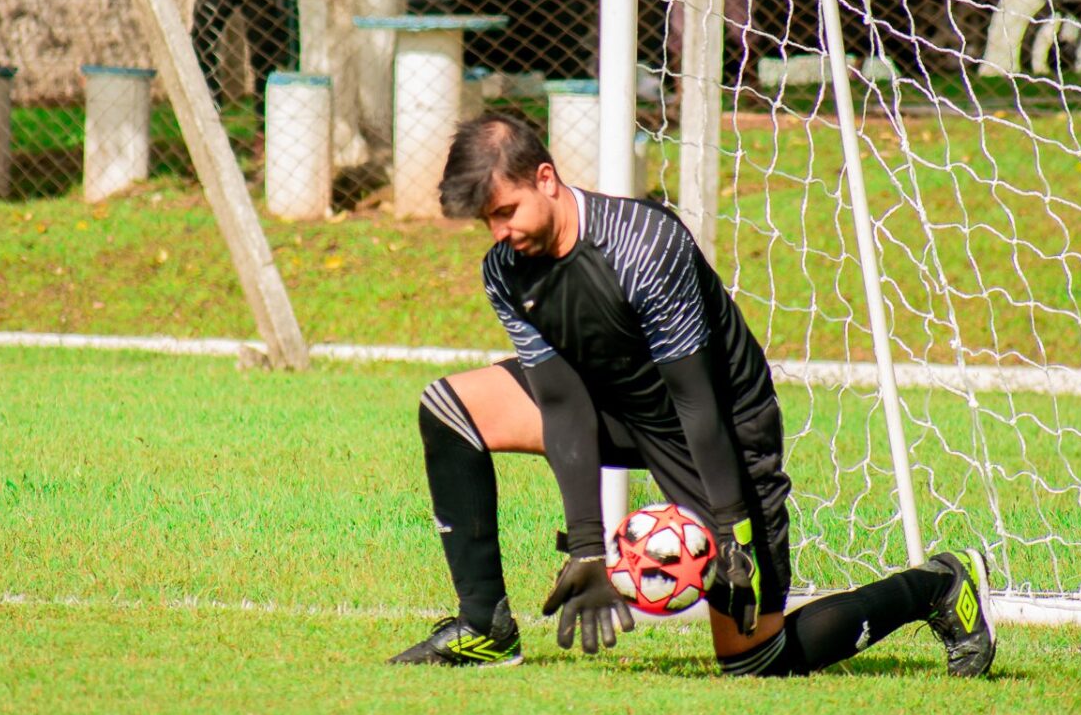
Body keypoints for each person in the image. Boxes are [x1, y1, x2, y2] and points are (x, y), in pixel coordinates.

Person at [388, 112, 998, 678]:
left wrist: (730, 532)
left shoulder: (642, 245)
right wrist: (586, 547)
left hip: (715, 427)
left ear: (545, 178)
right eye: (487, 222)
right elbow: (563, 405)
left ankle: (936, 586)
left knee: (756, 661)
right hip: (612, 406)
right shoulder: (505, 270)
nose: (500, 232)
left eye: (506, 211)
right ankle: (484, 626)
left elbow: (698, 401)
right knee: (450, 410)